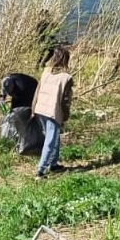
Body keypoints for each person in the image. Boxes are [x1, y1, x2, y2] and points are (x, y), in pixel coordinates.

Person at [31, 46, 73, 178]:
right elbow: (66, 101)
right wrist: (65, 116)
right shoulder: (66, 78)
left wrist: (33, 109)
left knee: (53, 137)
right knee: (50, 140)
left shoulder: (46, 71)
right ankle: (40, 171)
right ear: (65, 60)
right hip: (53, 112)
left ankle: (54, 164)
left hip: (40, 109)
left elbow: (37, 91)